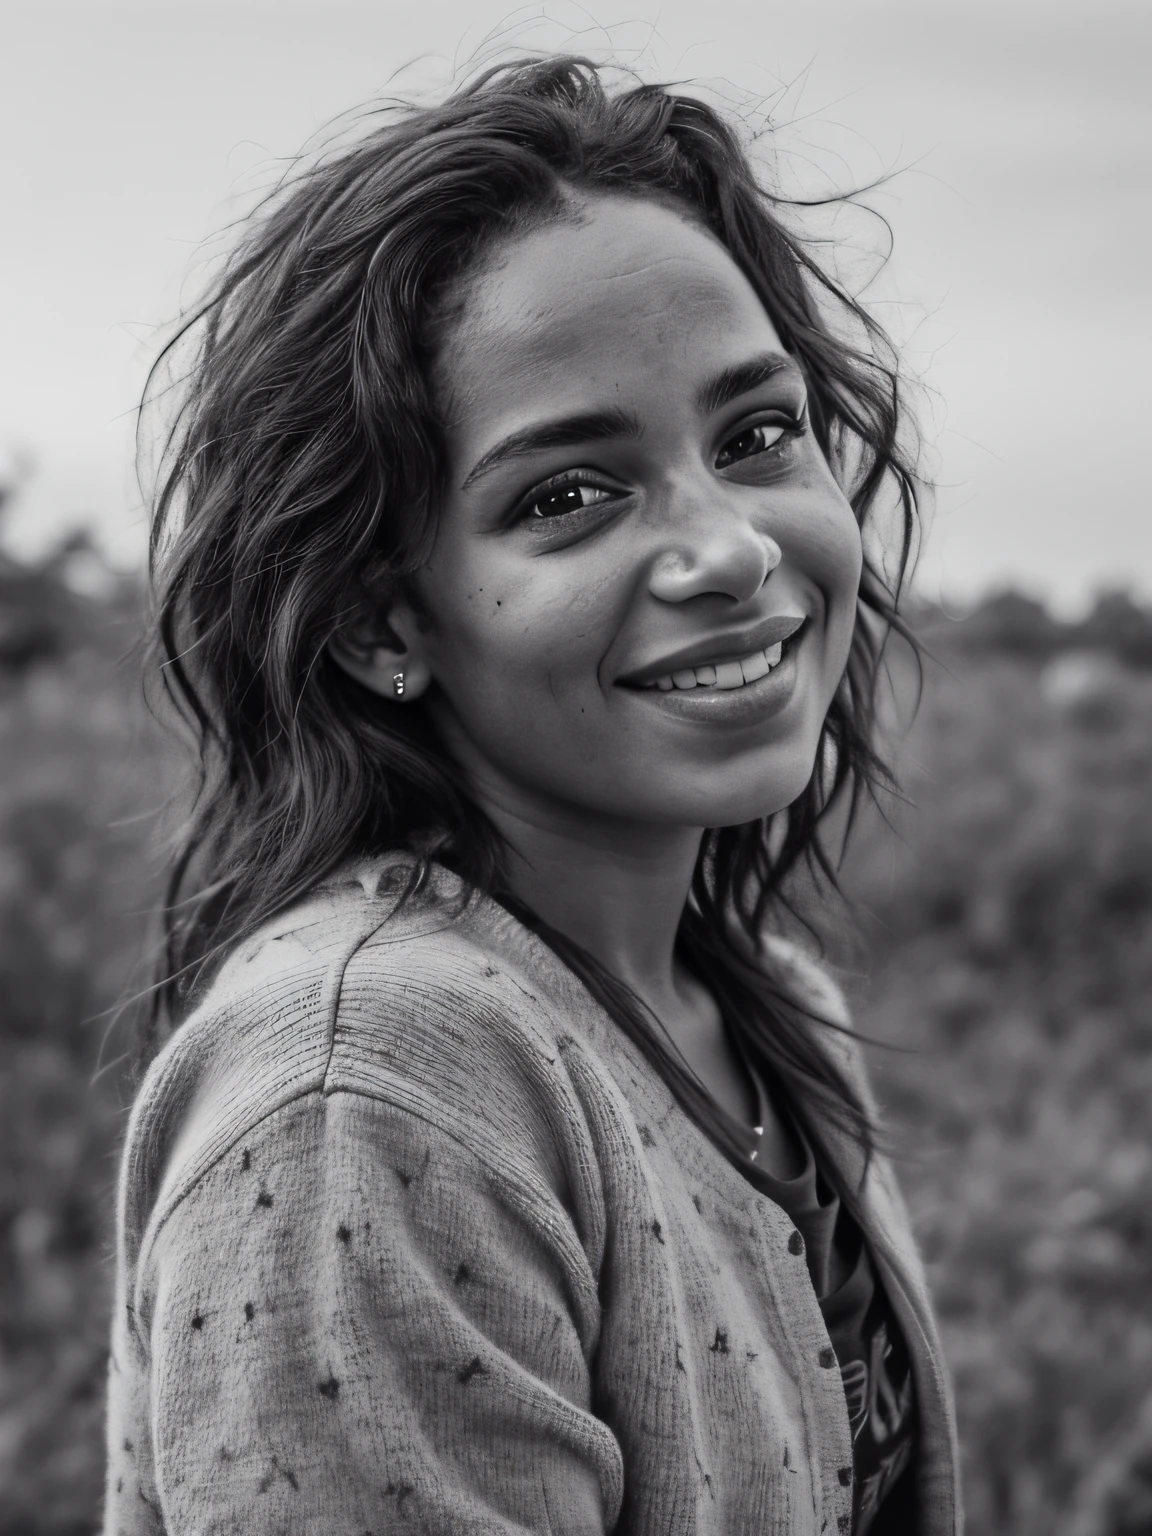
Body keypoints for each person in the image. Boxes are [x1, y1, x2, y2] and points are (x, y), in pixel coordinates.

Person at [104, 56, 960, 1535]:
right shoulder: (374, 1093)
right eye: (568, 495)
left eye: (757, 435)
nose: (735, 551)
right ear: (382, 621)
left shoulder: (763, 997)